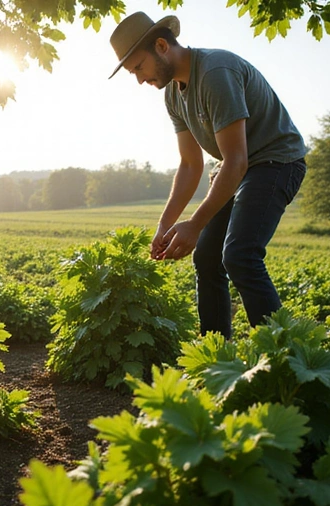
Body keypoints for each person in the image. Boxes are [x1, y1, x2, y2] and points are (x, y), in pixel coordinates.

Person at [108, 12, 307, 339]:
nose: (140, 80)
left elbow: (236, 161)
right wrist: (165, 225)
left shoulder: (216, 72)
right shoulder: (173, 94)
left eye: (139, 68)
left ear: (161, 46)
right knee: (207, 258)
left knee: (240, 256)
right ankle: (216, 358)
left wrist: (195, 224)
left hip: (275, 161)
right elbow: (190, 165)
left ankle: (286, 360)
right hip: (239, 168)